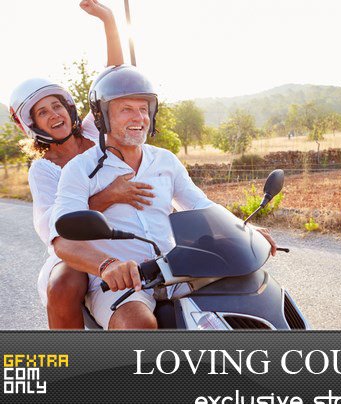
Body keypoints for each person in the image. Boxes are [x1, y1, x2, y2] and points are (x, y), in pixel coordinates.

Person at [49, 68, 276, 329]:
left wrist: (243, 228)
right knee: (138, 325)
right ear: (102, 117)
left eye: (144, 108)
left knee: (245, 298)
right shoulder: (80, 169)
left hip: (176, 270)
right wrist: (107, 266)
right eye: (126, 109)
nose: (139, 117)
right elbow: (62, 240)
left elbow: (201, 205)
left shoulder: (165, 160)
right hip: (120, 283)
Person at [9, 1, 126, 327]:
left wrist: (108, 19)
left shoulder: (95, 130)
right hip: (79, 250)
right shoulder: (43, 169)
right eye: (42, 112)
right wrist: (109, 196)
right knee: (63, 284)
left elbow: (113, 78)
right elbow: (56, 230)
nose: (54, 115)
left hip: (128, 232)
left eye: (56, 105)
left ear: (69, 107)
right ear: (34, 125)